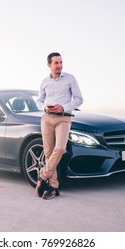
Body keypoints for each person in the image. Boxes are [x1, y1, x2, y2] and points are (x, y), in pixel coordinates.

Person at [35, 52, 83, 200]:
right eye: (56, 63)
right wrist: (44, 108)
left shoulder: (70, 79)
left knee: (60, 148)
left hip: (63, 118)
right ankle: (53, 187)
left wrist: (63, 107)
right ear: (49, 64)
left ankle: (43, 176)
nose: (59, 66)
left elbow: (79, 99)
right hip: (47, 119)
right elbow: (38, 101)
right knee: (48, 152)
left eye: (61, 62)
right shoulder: (44, 82)